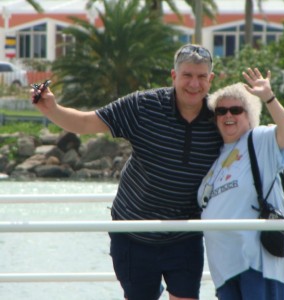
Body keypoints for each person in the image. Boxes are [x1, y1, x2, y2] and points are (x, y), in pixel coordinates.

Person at [31, 44, 223, 300]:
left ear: (210, 80)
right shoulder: (143, 106)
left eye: (201, 77)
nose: (194, 84)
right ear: (174, 76)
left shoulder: (221, 116)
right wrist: (52, 109)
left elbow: (257, 143)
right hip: (132, 232)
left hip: (184, 233)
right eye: (187, 75)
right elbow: (86, 122)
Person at [197, 67, 284, 300]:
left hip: (257, 263)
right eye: (221, 111)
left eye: (235, 110)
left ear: (249, 114)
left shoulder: (259, 139)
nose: (228, 116)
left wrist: (269, 98)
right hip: (224, 269)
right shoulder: (216, 161)